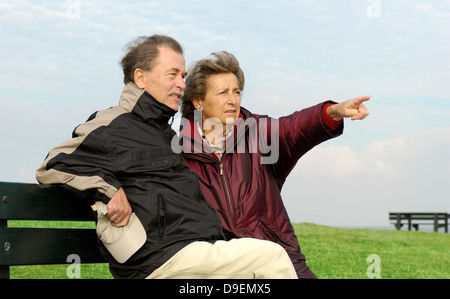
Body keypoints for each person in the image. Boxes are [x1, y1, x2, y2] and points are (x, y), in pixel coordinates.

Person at [35, 35, 298, 279]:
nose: (182, 85)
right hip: (159, 263)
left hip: (192, 255)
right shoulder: (112, 125)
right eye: (172, 75)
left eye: (183, 76)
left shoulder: (163, 134)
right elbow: (53, 165)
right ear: (141, 77)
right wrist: (109, 190)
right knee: (271, 257)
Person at [179, 51, 370, 279]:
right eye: (222, 93)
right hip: (222, 265)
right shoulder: (178, 155)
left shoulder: (258, 132)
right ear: (198, 101)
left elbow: (294, 129)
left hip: (277, 255)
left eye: (237, 92)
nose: (233, 100)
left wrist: (334, 112)